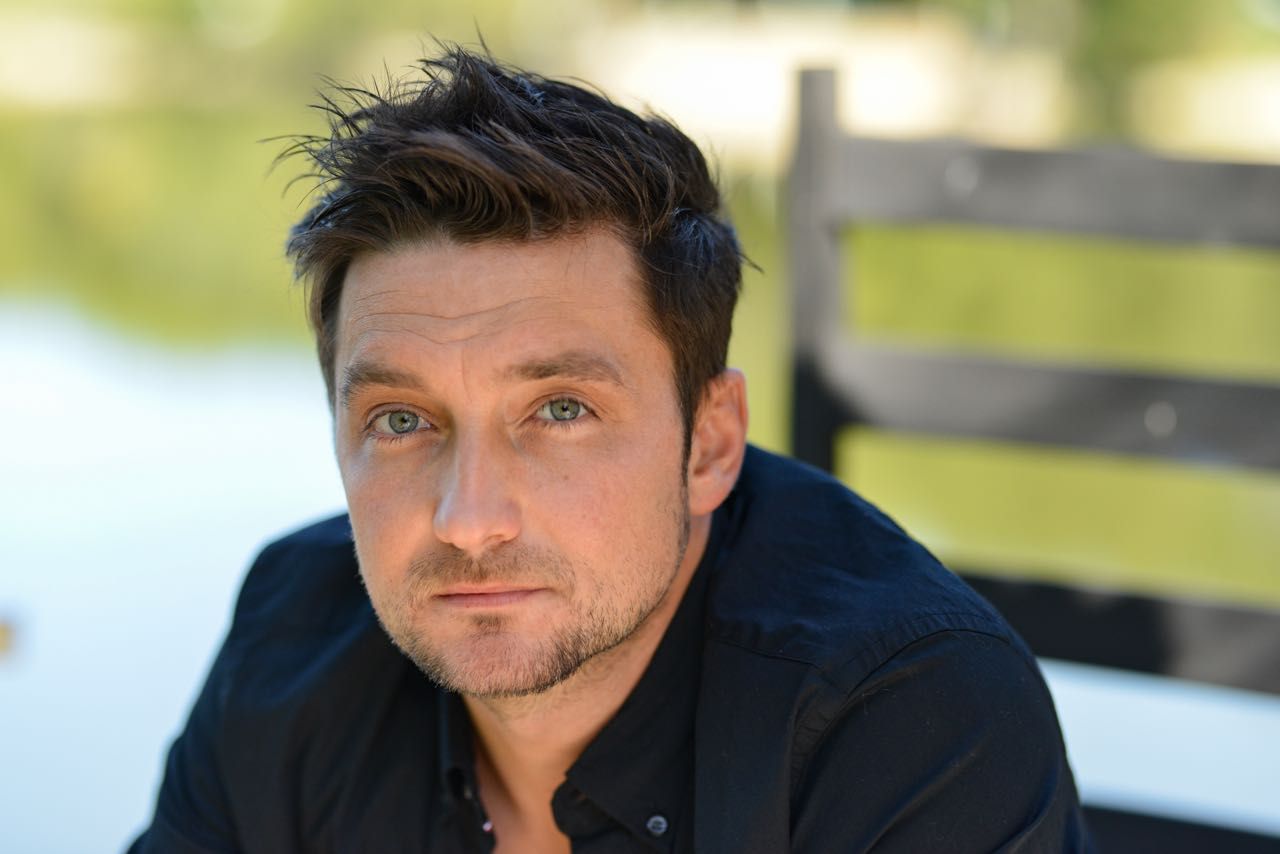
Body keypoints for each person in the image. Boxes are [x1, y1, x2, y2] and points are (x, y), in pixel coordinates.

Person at [130, 45, 1091, 853]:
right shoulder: (291, 644)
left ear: (710, 444)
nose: (468, 520)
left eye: (559, 411)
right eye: (401, 420)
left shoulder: (913, 722)